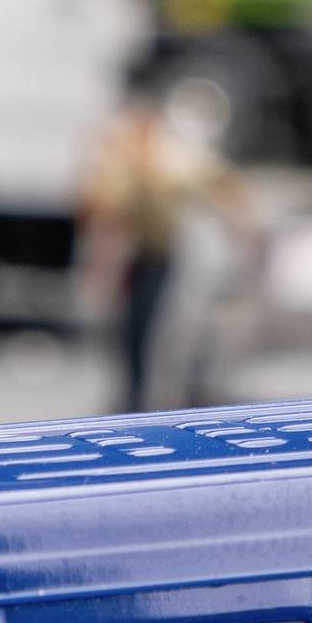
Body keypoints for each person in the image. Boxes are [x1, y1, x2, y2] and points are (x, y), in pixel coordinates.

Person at [79, 94, 248, 412]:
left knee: (164, 331)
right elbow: (104, 220)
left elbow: (222, 188)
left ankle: (157, 396)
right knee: (131, 332)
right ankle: (134, 395)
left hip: (164, 258)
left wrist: (240, 235)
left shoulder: (173, 161)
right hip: (137, 259)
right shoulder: (121, 164)